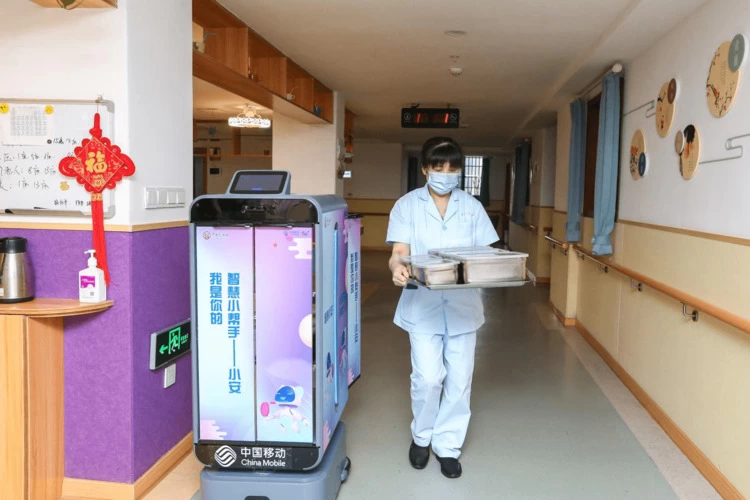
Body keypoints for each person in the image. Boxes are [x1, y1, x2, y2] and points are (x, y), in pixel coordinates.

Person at [386, 137, 499, 479]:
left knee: (460, 380)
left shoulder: (472, 207)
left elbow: (487, 254)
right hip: (422, 305)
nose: (446, 174)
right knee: (428, 378)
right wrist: (397, 268)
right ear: (425, 169)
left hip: (463, 306)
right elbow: (399, 252)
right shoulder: (407, 205)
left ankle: (448, 445)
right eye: (438, 167)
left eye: (452, 168)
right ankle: (421, 437)